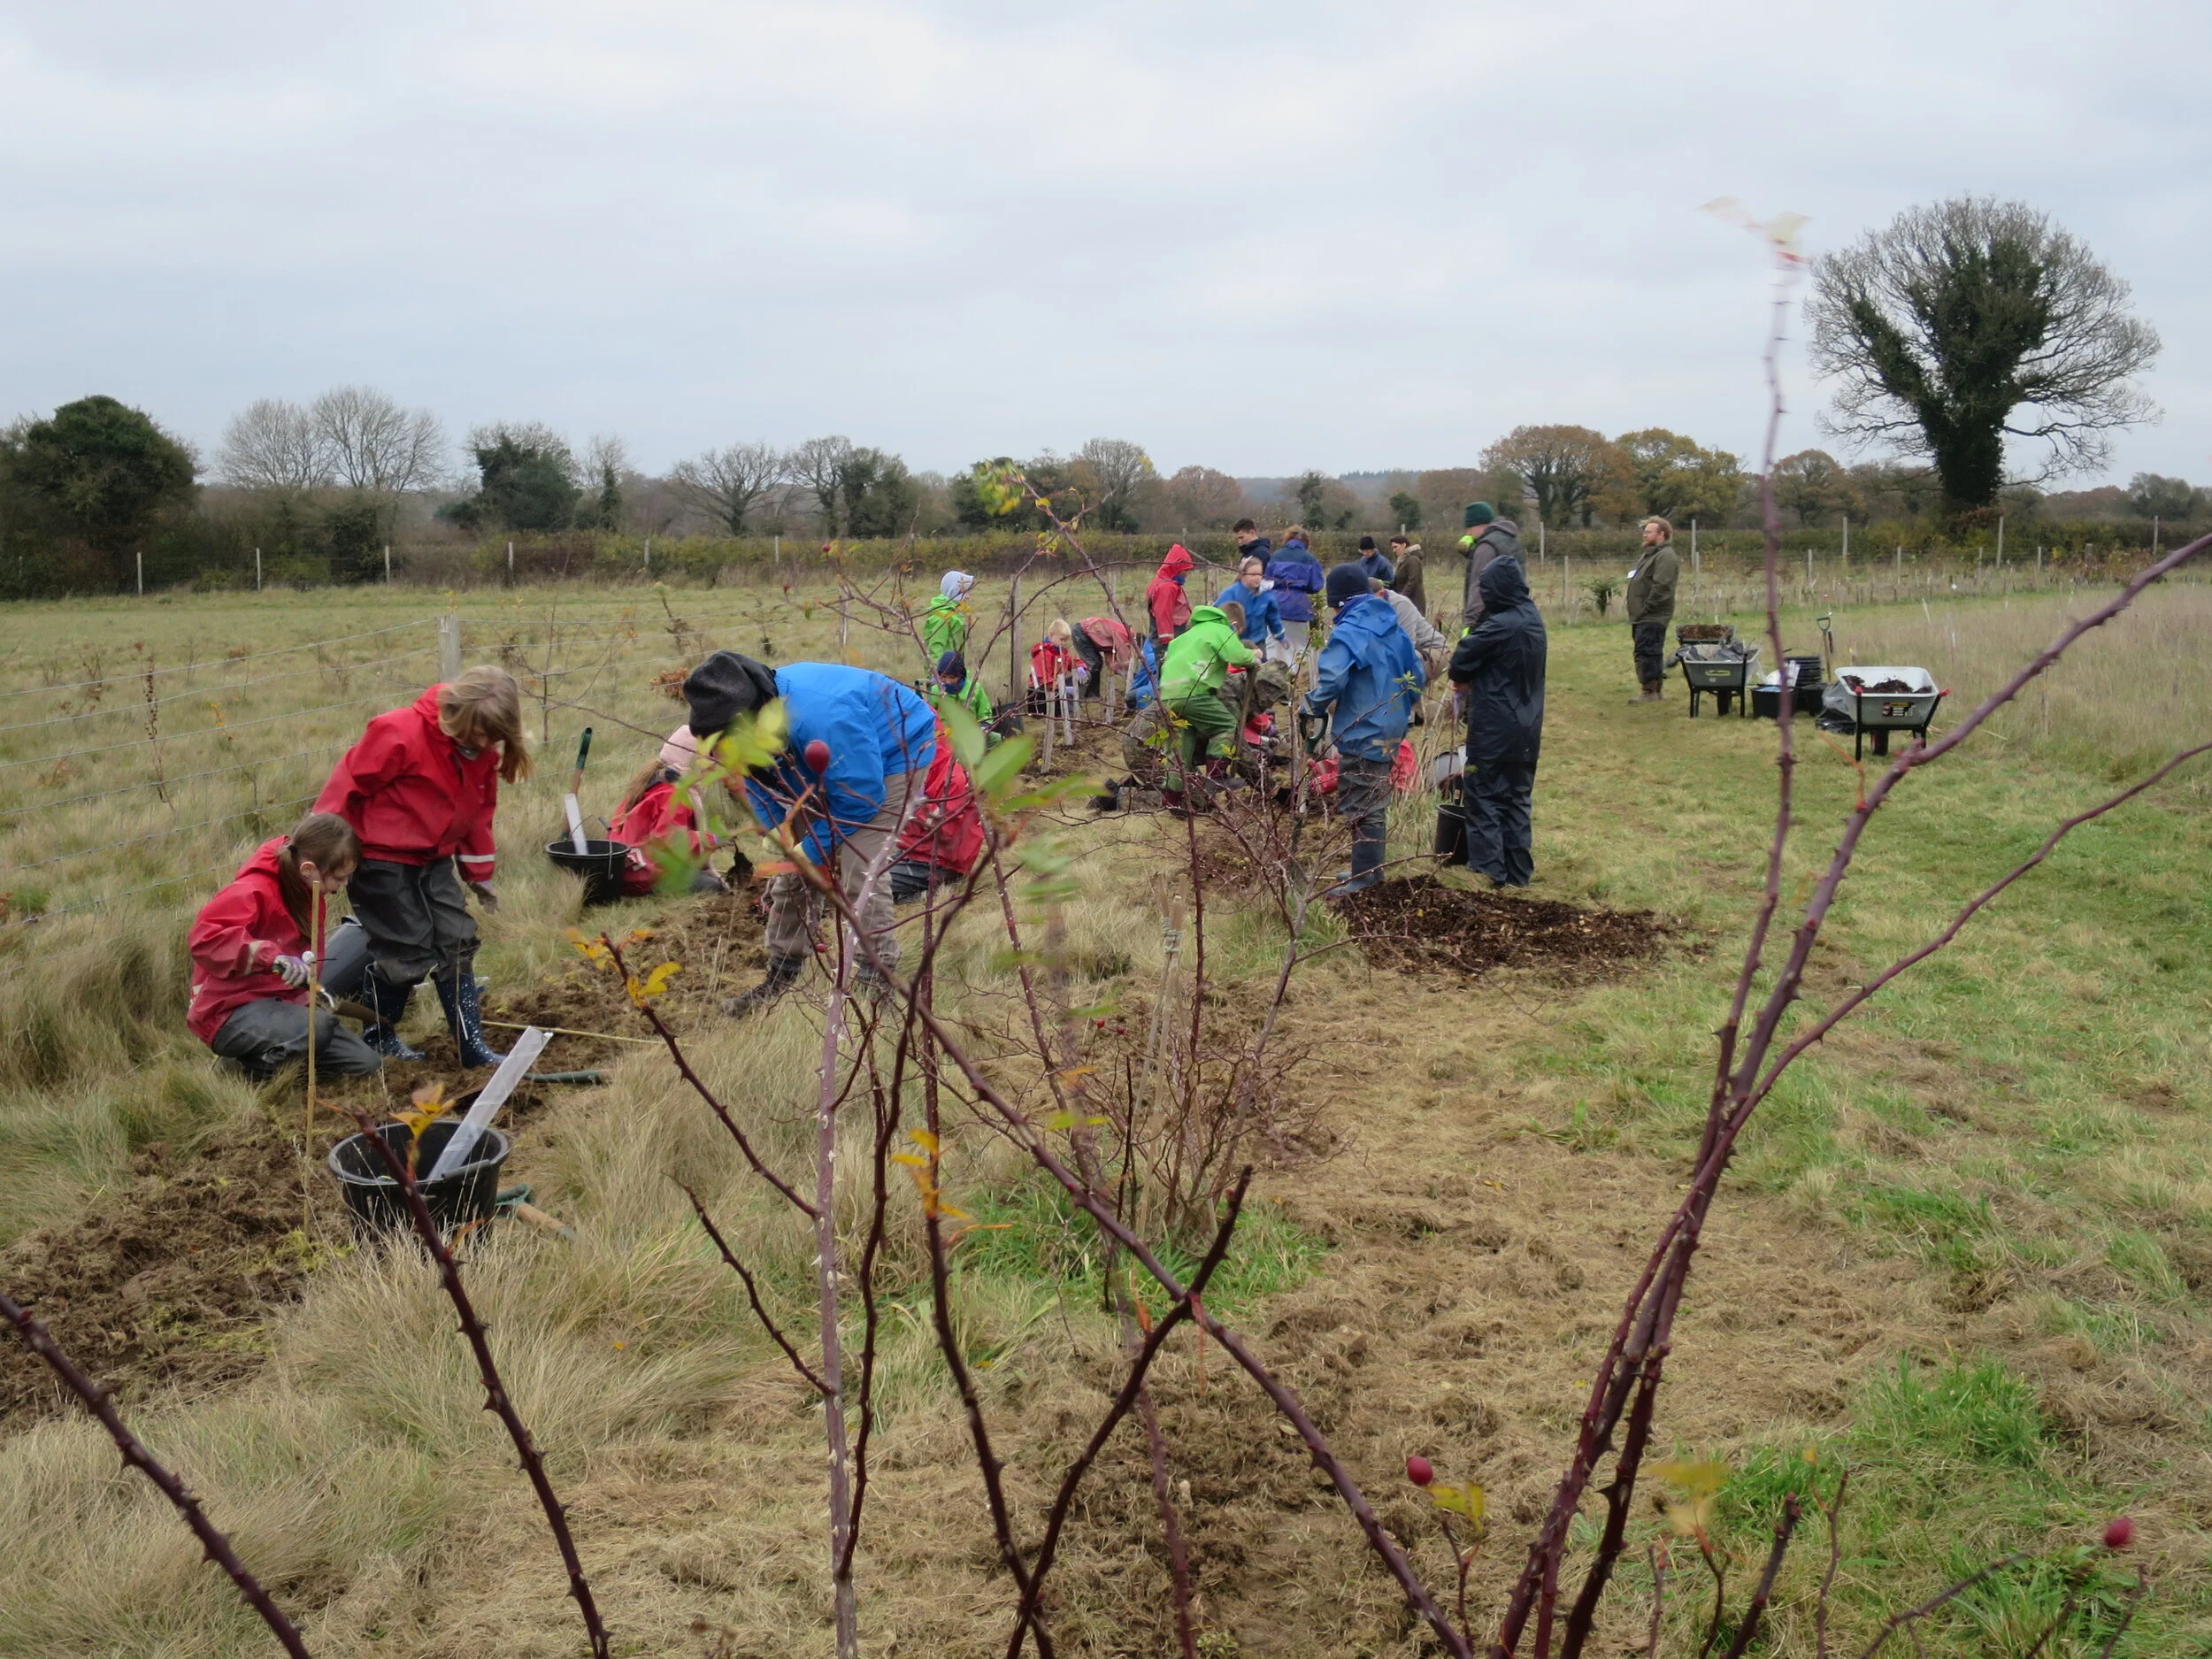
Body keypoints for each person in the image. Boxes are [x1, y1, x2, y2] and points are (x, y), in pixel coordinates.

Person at [683, 651, 937, 1016]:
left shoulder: (821, 716)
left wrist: (813, 851)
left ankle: (875, 980)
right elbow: (758, 781)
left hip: (895, 748)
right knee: (795, 872)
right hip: (828, 753)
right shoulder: (745, 725)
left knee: (859, 869)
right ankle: (782, 973)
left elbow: (863, 799)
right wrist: (784, 836)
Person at [314, 667, 532, 1065]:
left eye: (492, 737)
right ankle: (379, 1035)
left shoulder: (481, 754)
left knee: (457, 940)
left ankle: (471, 1047)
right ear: (457, 712)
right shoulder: (399, 731)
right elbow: (348, 784)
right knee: (407, 951)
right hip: (381, 861)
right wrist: (322, 849)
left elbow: (478, 813)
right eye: (478, 733)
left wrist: (479, 876)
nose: (485, 744)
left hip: (434, 859)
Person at [188, 812, 382, 1079]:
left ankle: (277, 1062)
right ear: (308, 869)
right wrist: (271, 959)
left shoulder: (308, 890)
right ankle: (241, 1071)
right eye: (339, 878)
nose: (344, 885)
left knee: (365, 1063)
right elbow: (205, 938)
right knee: (317, 1028)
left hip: (283, 1003)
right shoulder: (253, 890)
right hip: (229, 1012)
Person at [1303, 565, 1424, 895]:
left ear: (1338, 603)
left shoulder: (1349, 632)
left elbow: (1332, 679)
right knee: (1374, 795)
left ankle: (1365, 880)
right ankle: (1368, 870)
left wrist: (1311, 705)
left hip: (1363, 727)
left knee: (1363, 801)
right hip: (1392, 724)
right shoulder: (1392, 626)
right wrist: (1400, 707)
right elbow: (1417, 675)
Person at [1448, 557, 1547, 887]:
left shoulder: (1501, 625)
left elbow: (1462, 658)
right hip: (1527, 725)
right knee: (1516, 796)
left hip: (1494, 724)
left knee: (1484, 793)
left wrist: (1465, 677)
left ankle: (1488, 871)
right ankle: (1518, 874)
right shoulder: (1532, 619)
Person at [1154, 598, 1256, 810]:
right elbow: (1239, 658)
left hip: (1168, 696)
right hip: (1195, 692)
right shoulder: (1221, 630)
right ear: (1234, 625)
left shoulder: (1184, 637)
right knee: (1226, 725)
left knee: (1179, 749)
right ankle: (1216, 776)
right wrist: (1254, 656)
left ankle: (1173, 802)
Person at [607, 726, 729, 896]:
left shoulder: (651, 783)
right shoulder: (673, 795)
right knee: (711, 886)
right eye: (708, 759)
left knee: (704, 879)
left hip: (627, 867)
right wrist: (712, 839)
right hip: (646, 875)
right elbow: (672, 840)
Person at [888, 718, 985, 904]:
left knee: (875, 887)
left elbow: (945, 829)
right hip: (916, 850)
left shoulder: (951, 778)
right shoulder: (924, 768)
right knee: (866, 873)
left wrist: (909, 816)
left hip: (941, 860)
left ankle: (934, 893)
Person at [1625, 516, 1680, 703]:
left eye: (1649, 532)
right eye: (1645, 531)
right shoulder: (1651, 555)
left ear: (1661, 535)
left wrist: (1646, 608)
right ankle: (1655, 691)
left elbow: (1662, 587)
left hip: (1652, 615)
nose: (1644, 535)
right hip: (1645, 615)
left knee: (1647, 652)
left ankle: (1649, 692)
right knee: (1650, 651)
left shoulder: (1666, 556)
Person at [1263, 525, 1325, 662]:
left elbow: (1266, 581)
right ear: (1306, 543)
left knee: (1274, 645)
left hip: (1276, 604)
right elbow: (1317, 585)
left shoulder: (1276, 556)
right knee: (1298, 648)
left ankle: (1272, 672)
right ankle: (1295, 673)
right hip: (1299, 606)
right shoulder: (1309, 559)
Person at [1457, 503, 1524, 632]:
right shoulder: (1511, 540)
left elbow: (1479, 586)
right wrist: (1471, 552)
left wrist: (1470, 623)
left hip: (1488, 621)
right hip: (1515, 616)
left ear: (1480, 524)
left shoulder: (1486, 547)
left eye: (1470, 528)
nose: (1468, 533)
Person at [1214, 556, 1286, 657]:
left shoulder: (1266, 596)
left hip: (1258, 643)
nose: (1257, 578)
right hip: (1235, 643)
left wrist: (1280, 636)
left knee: (1261, 665)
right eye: (1253, 574)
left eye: (1260, 574)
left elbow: (1273, 617)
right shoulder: (1230, 594)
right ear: (1243, 575)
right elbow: (1218, 617)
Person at [932, 650, 1002, 744]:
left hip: (972, 734)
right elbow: (929, 716)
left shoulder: (975, 688)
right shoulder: (935, 691)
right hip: (946, 736)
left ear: (960, 675)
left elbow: (985, 712)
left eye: (952, 677)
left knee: (996, 739)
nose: (948, 681)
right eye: (944, 676)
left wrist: (984, 727)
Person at [1071, 614, 1136, 701]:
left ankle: (1090, 695)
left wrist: (1120, 672)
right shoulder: (1124, 635)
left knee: (1097, 663)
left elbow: (1110, 660)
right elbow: (1125, 658)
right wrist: (1130, 672)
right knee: (1094, 663)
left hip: (1088, 632)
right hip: (1081, 631)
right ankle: (1089, 695)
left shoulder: (1112, 640)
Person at [1146, 543, 1196, 645]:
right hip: (1170, 639)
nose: (1187, 574)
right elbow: (1163, 615)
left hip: (1172, 635)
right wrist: (1168, 643)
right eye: (1186, 570)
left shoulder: (1164, 582)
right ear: (1177, 568)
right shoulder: (1167, 587)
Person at [922, 572, 975, 664]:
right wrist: (941, 673)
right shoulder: (941, 617)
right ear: (954, 591)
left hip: (953, 670)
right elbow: (935, 654)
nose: (968, 597)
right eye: (965, 592)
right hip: (945, 671)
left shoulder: (954, 613)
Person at [1387, 533, 1426, 615]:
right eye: (1392, 548)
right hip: (1406, 602)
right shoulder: (1403, 561)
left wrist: (1401, 598)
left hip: (1414, 603)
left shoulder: (1413, 560)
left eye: (1395, 547)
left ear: (1404, 545)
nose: (1394, 550)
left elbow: (1413, 581)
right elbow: (1398, 581)